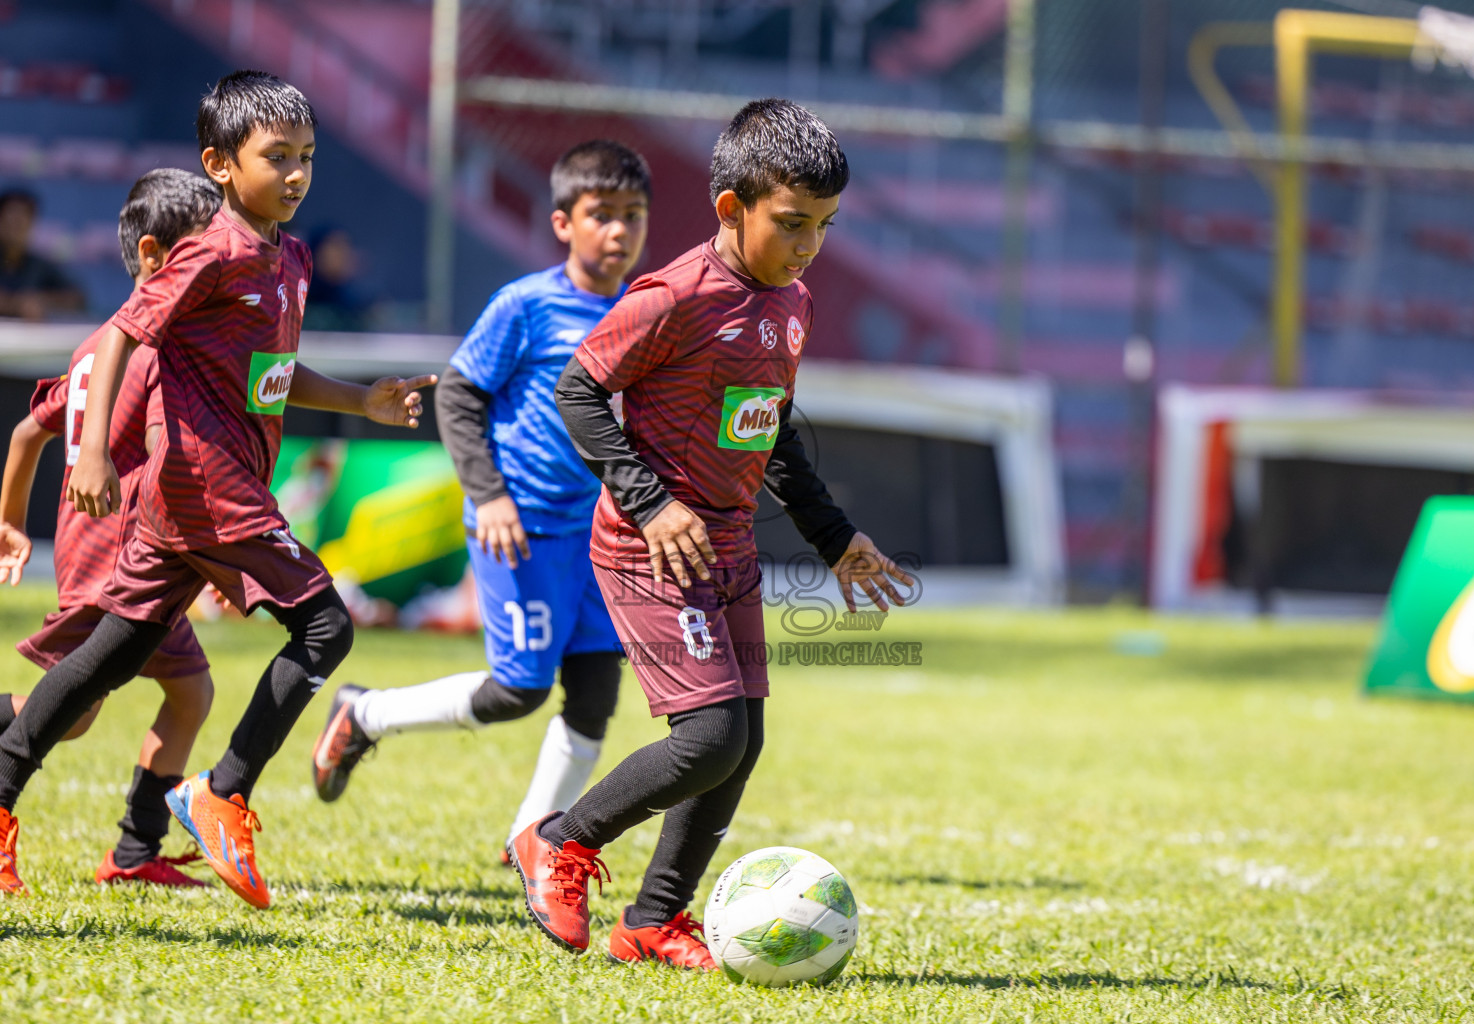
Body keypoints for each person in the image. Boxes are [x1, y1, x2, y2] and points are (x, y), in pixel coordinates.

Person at [0, 70, 435, 908]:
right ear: (221, 165)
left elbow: (268, 376)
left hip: (200, 495)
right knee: (325, 626)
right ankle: (222, 791)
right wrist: (89, 455)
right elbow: (125, 337)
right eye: (278, 156)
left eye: (308, 155)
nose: (298, 173)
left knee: (107, 660)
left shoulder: (291, 256)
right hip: (207, 483)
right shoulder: (209, 249)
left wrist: (358, 399)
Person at [509, 99, 912, 967]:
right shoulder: (674, 296)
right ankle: (561, 840)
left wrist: (835, 538)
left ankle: (652, 922)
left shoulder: (791, 303)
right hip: (647, 547)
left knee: (740, 742)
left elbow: (771, 433)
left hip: (726, 548)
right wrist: (651, 503)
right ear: (732, 209)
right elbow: (577, 393)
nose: (809, 246)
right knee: (710, 736)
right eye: (794, 224)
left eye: (826, 227)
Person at [310, 140, 650, 856]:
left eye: (633, 215)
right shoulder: (525, 306)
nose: (619, 231)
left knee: (595, 693)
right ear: (563, 223)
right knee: (518, 691)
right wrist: (490, 495)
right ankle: (364, 715)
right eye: (602, 215)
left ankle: (535, 837)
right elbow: (459, 396)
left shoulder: (647, 312)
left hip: (601, 538)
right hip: (520, 526)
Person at [0, 168, 222, 888]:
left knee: (188, 692)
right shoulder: (159, 349)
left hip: (127, 550)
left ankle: (133, 853)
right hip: (115, 554)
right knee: (70, 713)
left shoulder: (99, 342)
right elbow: (174, 458)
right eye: (206, 256)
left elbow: (27, 435)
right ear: (159, 259)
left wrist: (10, 523)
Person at [0, 188, 86, 321]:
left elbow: (78, 297)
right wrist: (15, 305)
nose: (15, 230)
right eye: (11, 221)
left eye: (21, 222)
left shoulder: (38, 266)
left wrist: (41, 301)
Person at [302, 225, 374, 331]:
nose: (343, 254)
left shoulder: (355, 307)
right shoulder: (293, 297)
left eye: (346, 246)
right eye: (336, 247)